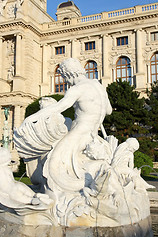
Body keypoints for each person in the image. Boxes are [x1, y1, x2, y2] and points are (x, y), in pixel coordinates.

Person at [23, 58, 112, 193]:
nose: (66, 82)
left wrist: (31, 118)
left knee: (53, 166)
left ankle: (57, 200)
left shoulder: (77, 89)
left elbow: (58, 107)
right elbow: (108, 111)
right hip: (94, 135)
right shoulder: (98, 86)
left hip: (78, 134)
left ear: (68, 74)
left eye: (64, 78)